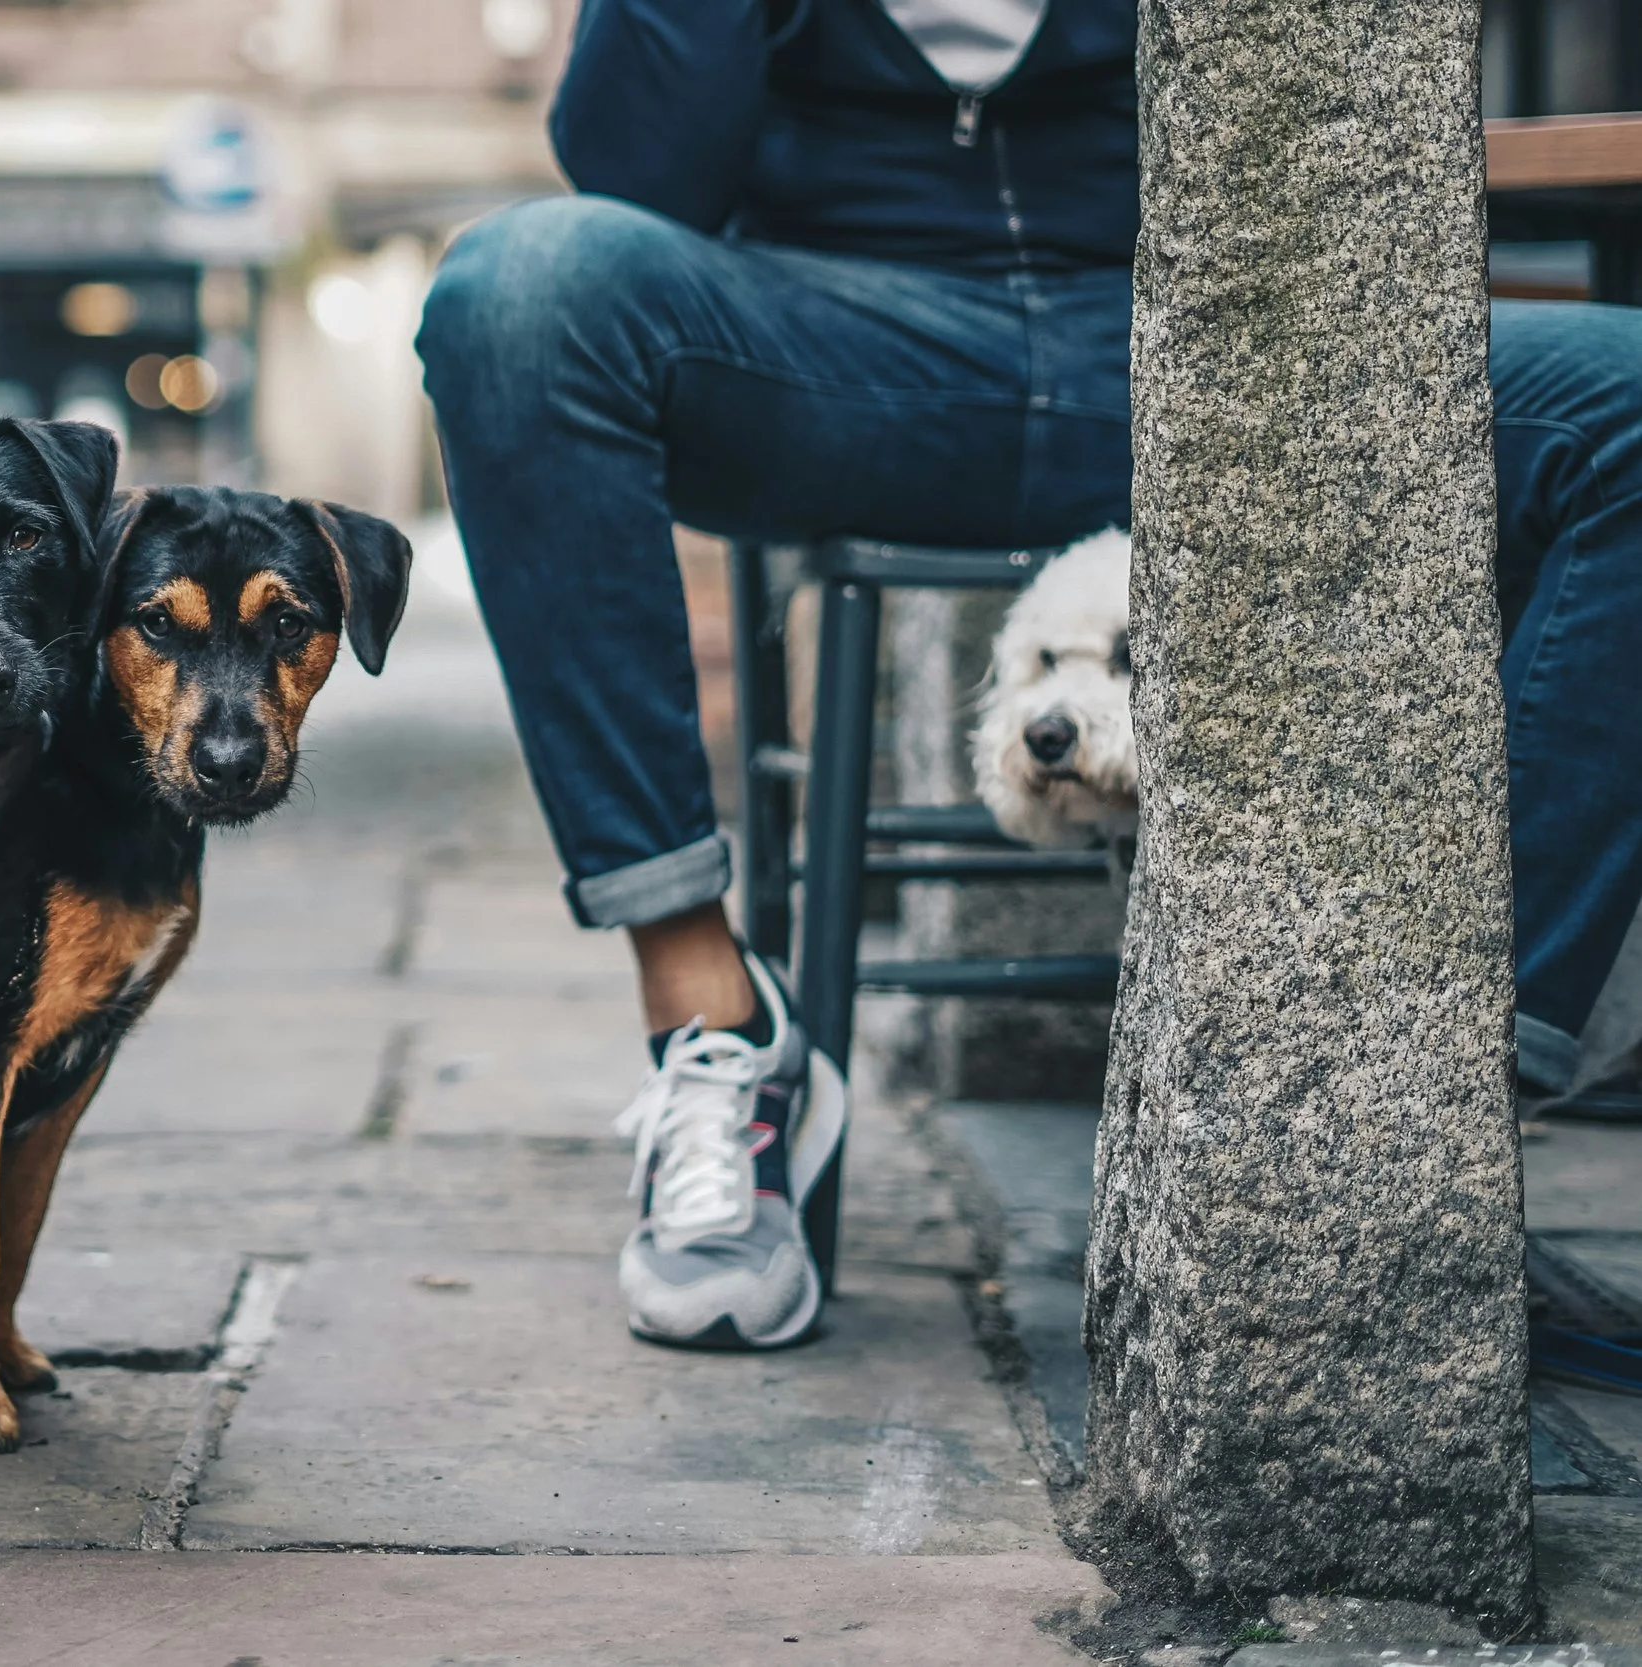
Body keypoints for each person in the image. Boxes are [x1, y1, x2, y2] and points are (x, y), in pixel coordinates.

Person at [417, 0, 1642, 1350]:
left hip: (1191, 343)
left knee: (1626, 406)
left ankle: (1425, 1101)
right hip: (845, 356)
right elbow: (639, 182)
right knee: (517, 297)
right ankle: (714, 1024)